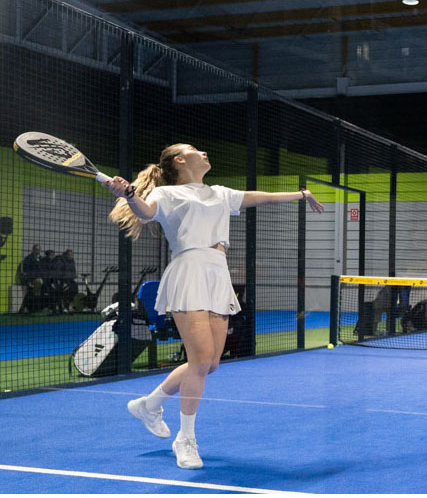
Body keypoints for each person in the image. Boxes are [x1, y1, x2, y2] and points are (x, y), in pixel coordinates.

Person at [106, 143, 323, 470]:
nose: (204, 152)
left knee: (209, 363)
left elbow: (259, 197)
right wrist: (128, 194)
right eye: (195, 149)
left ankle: (149, 405)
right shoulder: (167, 194)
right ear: (180, 160)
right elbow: (146, 212)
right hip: (189, 270)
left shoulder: (219, 193)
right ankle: (186, 439)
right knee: (199, 361)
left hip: (217, 273)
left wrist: (301, 194)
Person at [19, 244, 44, 313]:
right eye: (36, 249)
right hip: (32, 279)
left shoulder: (42, 258)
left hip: (40, 279)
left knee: (31, 293)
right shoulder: (28, 258)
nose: (37, 251)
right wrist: (29, 281)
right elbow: (26, 271)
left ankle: (24, 308)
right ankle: (29, 308)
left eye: (38, 249)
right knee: (33, 293)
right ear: (33, 250)